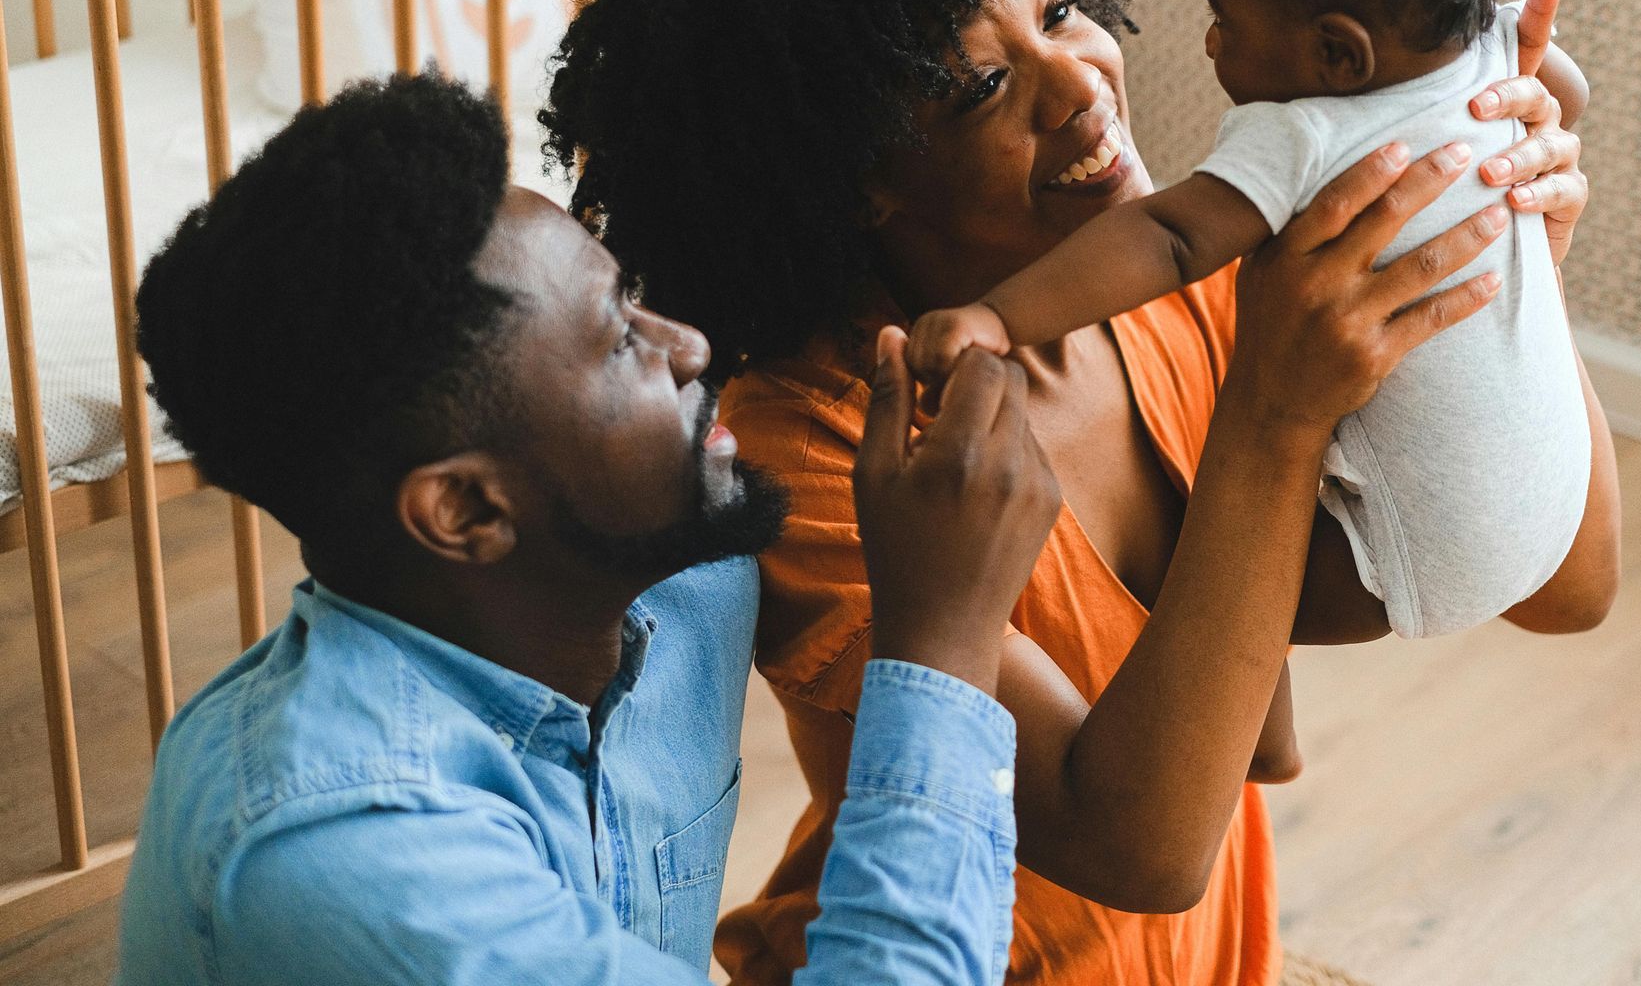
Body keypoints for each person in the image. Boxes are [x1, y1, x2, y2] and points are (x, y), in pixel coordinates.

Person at [542, 0, 1621, 984]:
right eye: (981, 88)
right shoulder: (815, 453)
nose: (1083, 82)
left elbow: (1566, 585)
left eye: (1061, 11)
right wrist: (1272, 419)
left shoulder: (1171, 282)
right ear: (854, 185)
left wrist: (1513, 259)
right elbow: (1144, 845)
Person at [116, 71, 1063, 985]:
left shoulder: (679, 588)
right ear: (467, 512)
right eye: (621, 341)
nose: (688, 346)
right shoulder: (345, 853)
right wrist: (942, 641)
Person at [906, 0, 1604, 641]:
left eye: (1226, 18)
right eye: (986, 83)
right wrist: (1527, 109)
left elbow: (1168, 236)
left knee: (1224, 585)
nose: (1210, 40)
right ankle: (1264, 735)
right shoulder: (1491, 47)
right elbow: (1563, 90)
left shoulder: (1306, 134)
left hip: (1409, 554)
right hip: (1550, 487)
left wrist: (991, 318)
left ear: (1337, 55)